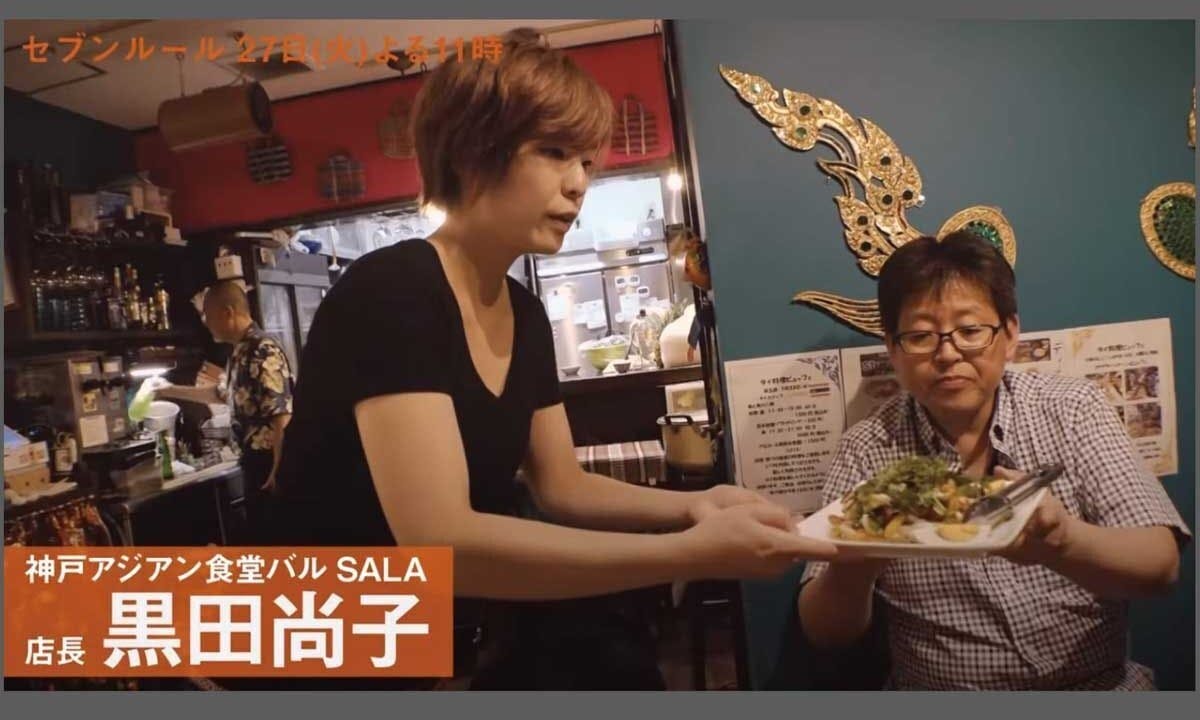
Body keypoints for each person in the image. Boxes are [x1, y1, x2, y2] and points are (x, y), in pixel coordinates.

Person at [267, 28, 836, 689]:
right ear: (473, 150)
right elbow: (439, 541)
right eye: (555, 152)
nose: (579, 183)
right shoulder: (394, 290)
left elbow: (561, 485)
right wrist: (689, 552)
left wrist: (697, 506)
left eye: (587, 161)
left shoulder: (524, 311)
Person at [795, 231, 1189, 690]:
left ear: (1010, 333)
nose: (948, 353)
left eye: (970, 331)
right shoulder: (866, 449)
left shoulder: (1073, 409)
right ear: (893, 349)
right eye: (920, 336)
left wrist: (1062, 542)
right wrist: (856, 560)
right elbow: (825, 632)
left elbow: (1161, 567)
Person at [156, 280, 294, 544]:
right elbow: (219, 395)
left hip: (268, 463)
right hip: (254, 463)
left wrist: (279, 470)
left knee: (277, 544)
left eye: (208, 317)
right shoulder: (239, 352)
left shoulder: (262, 349)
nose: (206, 324)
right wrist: (167, 390)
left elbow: (282, 415)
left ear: (228, 312)